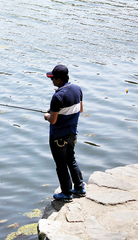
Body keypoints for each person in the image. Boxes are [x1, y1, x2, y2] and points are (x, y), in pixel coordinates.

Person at [44, 64, 85, 201]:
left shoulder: (57, 97)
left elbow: (53, 120)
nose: (52, 81)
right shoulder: (77, 89)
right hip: (73, 134)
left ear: (59, 80)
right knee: (71, 159)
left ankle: (66, 193)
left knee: (61, 165)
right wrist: (57, 112)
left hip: (58, 137)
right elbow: (80, 109)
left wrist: (47, 116)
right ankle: (79, 187)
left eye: (53, 79)